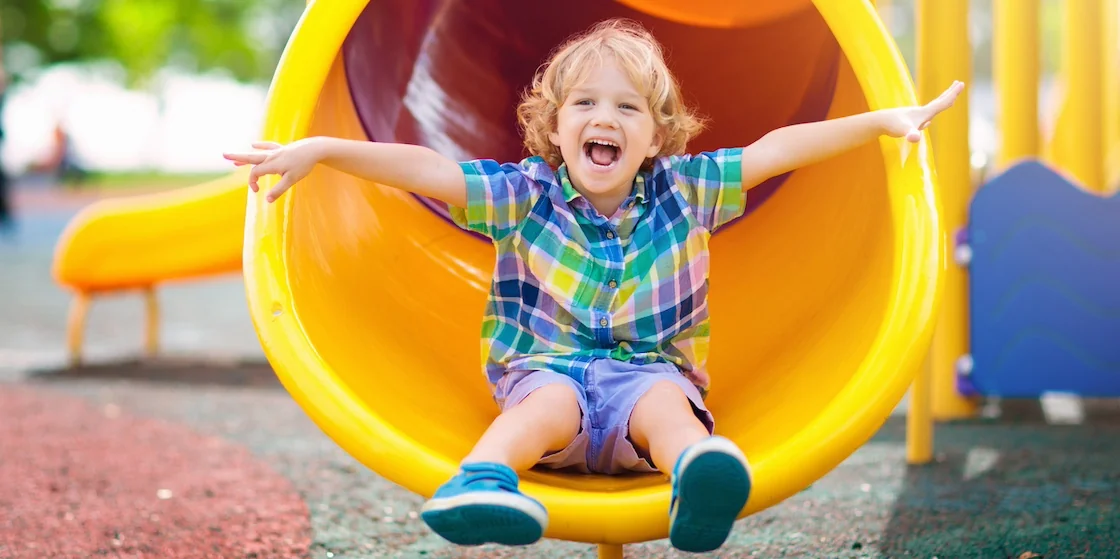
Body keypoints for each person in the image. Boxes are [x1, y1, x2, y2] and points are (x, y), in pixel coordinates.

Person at [224, 18, 963, 553]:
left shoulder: (688, 188)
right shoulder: (524, 193)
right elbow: (426, 169)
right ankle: (482, 480)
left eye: (626, 108)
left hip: (647, 378)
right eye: (583, 104)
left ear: (657, 135)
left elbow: (777, 149)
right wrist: (320, 149)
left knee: (668, 405)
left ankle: (698, 475)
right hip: (550, 378)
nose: (602, 118)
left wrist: (880, 121)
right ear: (553, 126)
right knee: (545, 398)